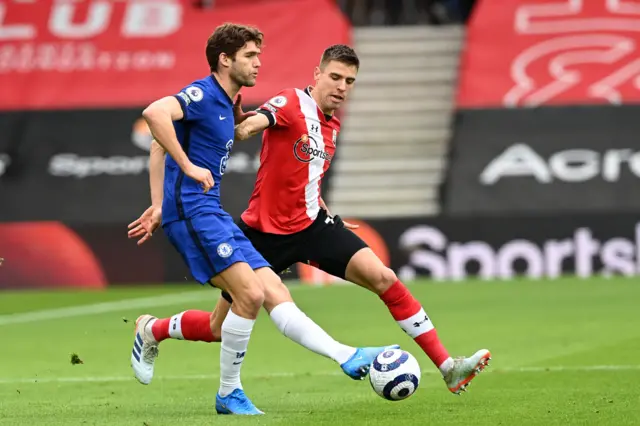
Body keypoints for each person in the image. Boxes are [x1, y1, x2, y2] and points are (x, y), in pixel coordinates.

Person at [130, 44, 490, 396]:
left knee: (384, 277)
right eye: (335, 77)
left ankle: (447, 367)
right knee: (218, 328)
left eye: (349, 81)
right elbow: (247, 128)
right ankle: (153, 329)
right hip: (262, 235)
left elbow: (307, 177)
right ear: (318, 74)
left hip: (313, 226)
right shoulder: (290, 102)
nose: (341, 87)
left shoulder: (332, 127)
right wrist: (242, 122)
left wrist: (324, 210)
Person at [129, 25, 397, 415]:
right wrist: (184, 170)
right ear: (226, 59)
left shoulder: (225, 103)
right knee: (251, 295)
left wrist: (156, 203)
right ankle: (228, 394)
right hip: (193, 216)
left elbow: (157, 144)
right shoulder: (203, 94)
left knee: (268, 298)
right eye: (251, 55)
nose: (258, 62)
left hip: (212, 213)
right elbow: (154, 113)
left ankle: (345, 354)